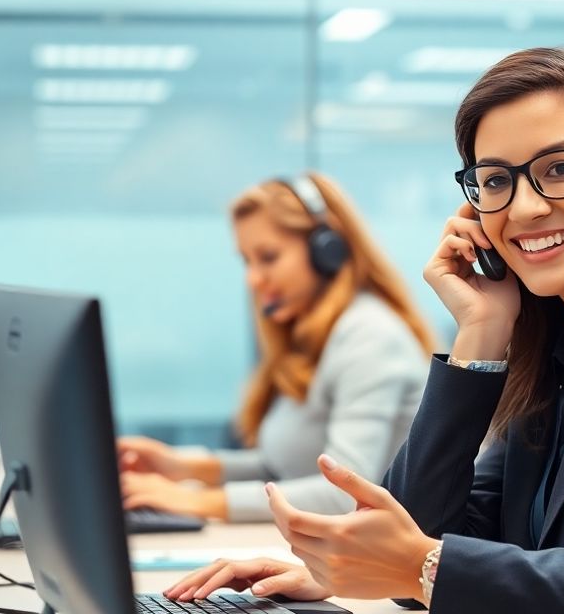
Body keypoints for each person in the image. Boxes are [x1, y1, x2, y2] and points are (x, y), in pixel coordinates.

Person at [163, 48, 564, 613]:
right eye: (496, 181)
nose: (524, 207)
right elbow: (432, 533)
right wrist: (481, 331)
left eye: (560, 168)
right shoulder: (559, 347)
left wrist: (417, 567)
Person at [117, 173, 437, 522]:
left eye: (268, 257)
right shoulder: (313, 338)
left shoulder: (370, 337)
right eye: (247, 261)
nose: (253, 279)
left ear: (327, 250)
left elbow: (344, 494)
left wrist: (199, 501)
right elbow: (283, 468)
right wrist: (184, 468)